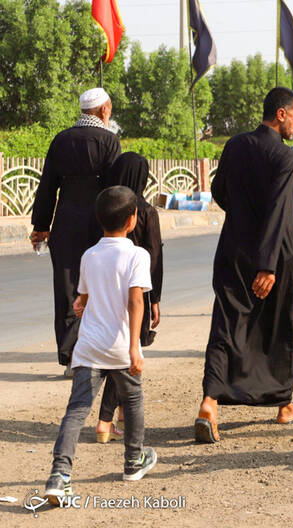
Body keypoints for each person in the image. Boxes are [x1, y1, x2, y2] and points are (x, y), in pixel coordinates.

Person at [194, 87, 293, 443]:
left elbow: (220, 191)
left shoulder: (235, 145)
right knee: (278, 329)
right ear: (280, 114)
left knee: (225, 326)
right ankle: (284, 405)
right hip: (273, 256)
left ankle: (209, 403)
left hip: (233, 249)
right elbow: (277, 212)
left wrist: (243, 216)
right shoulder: (284, 157)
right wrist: (267, 266)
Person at [43, 186, 157, 505]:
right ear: (132, 220)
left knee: (77, 410)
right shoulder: (137, 255)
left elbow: (84, 296)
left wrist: (81, 303)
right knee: (132, 401)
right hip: (120, 346)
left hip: (89, 348)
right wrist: (134, 348)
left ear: (99, 219)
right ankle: (133, 461)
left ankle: (59, 476)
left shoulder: (90, 255)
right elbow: (136, 302)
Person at [30, 88, 121, 377]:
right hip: (100, 226)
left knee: (67, 287)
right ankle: (97, 354)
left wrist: (41, 226)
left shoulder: (61, 140)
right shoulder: (109, 141)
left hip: (66, 225)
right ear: (104, 110)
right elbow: (115, 189)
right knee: (99, 287)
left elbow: (47, 186)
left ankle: (71, 356)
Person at [94, 154, 163, 443]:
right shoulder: (145, 211)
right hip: (136, 295)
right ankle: (104, 421)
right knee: (125, 357)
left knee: (119, 353)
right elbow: (154, 258)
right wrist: (155, 299)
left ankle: (120, 413)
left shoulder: (105, 208)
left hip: (106, 293)